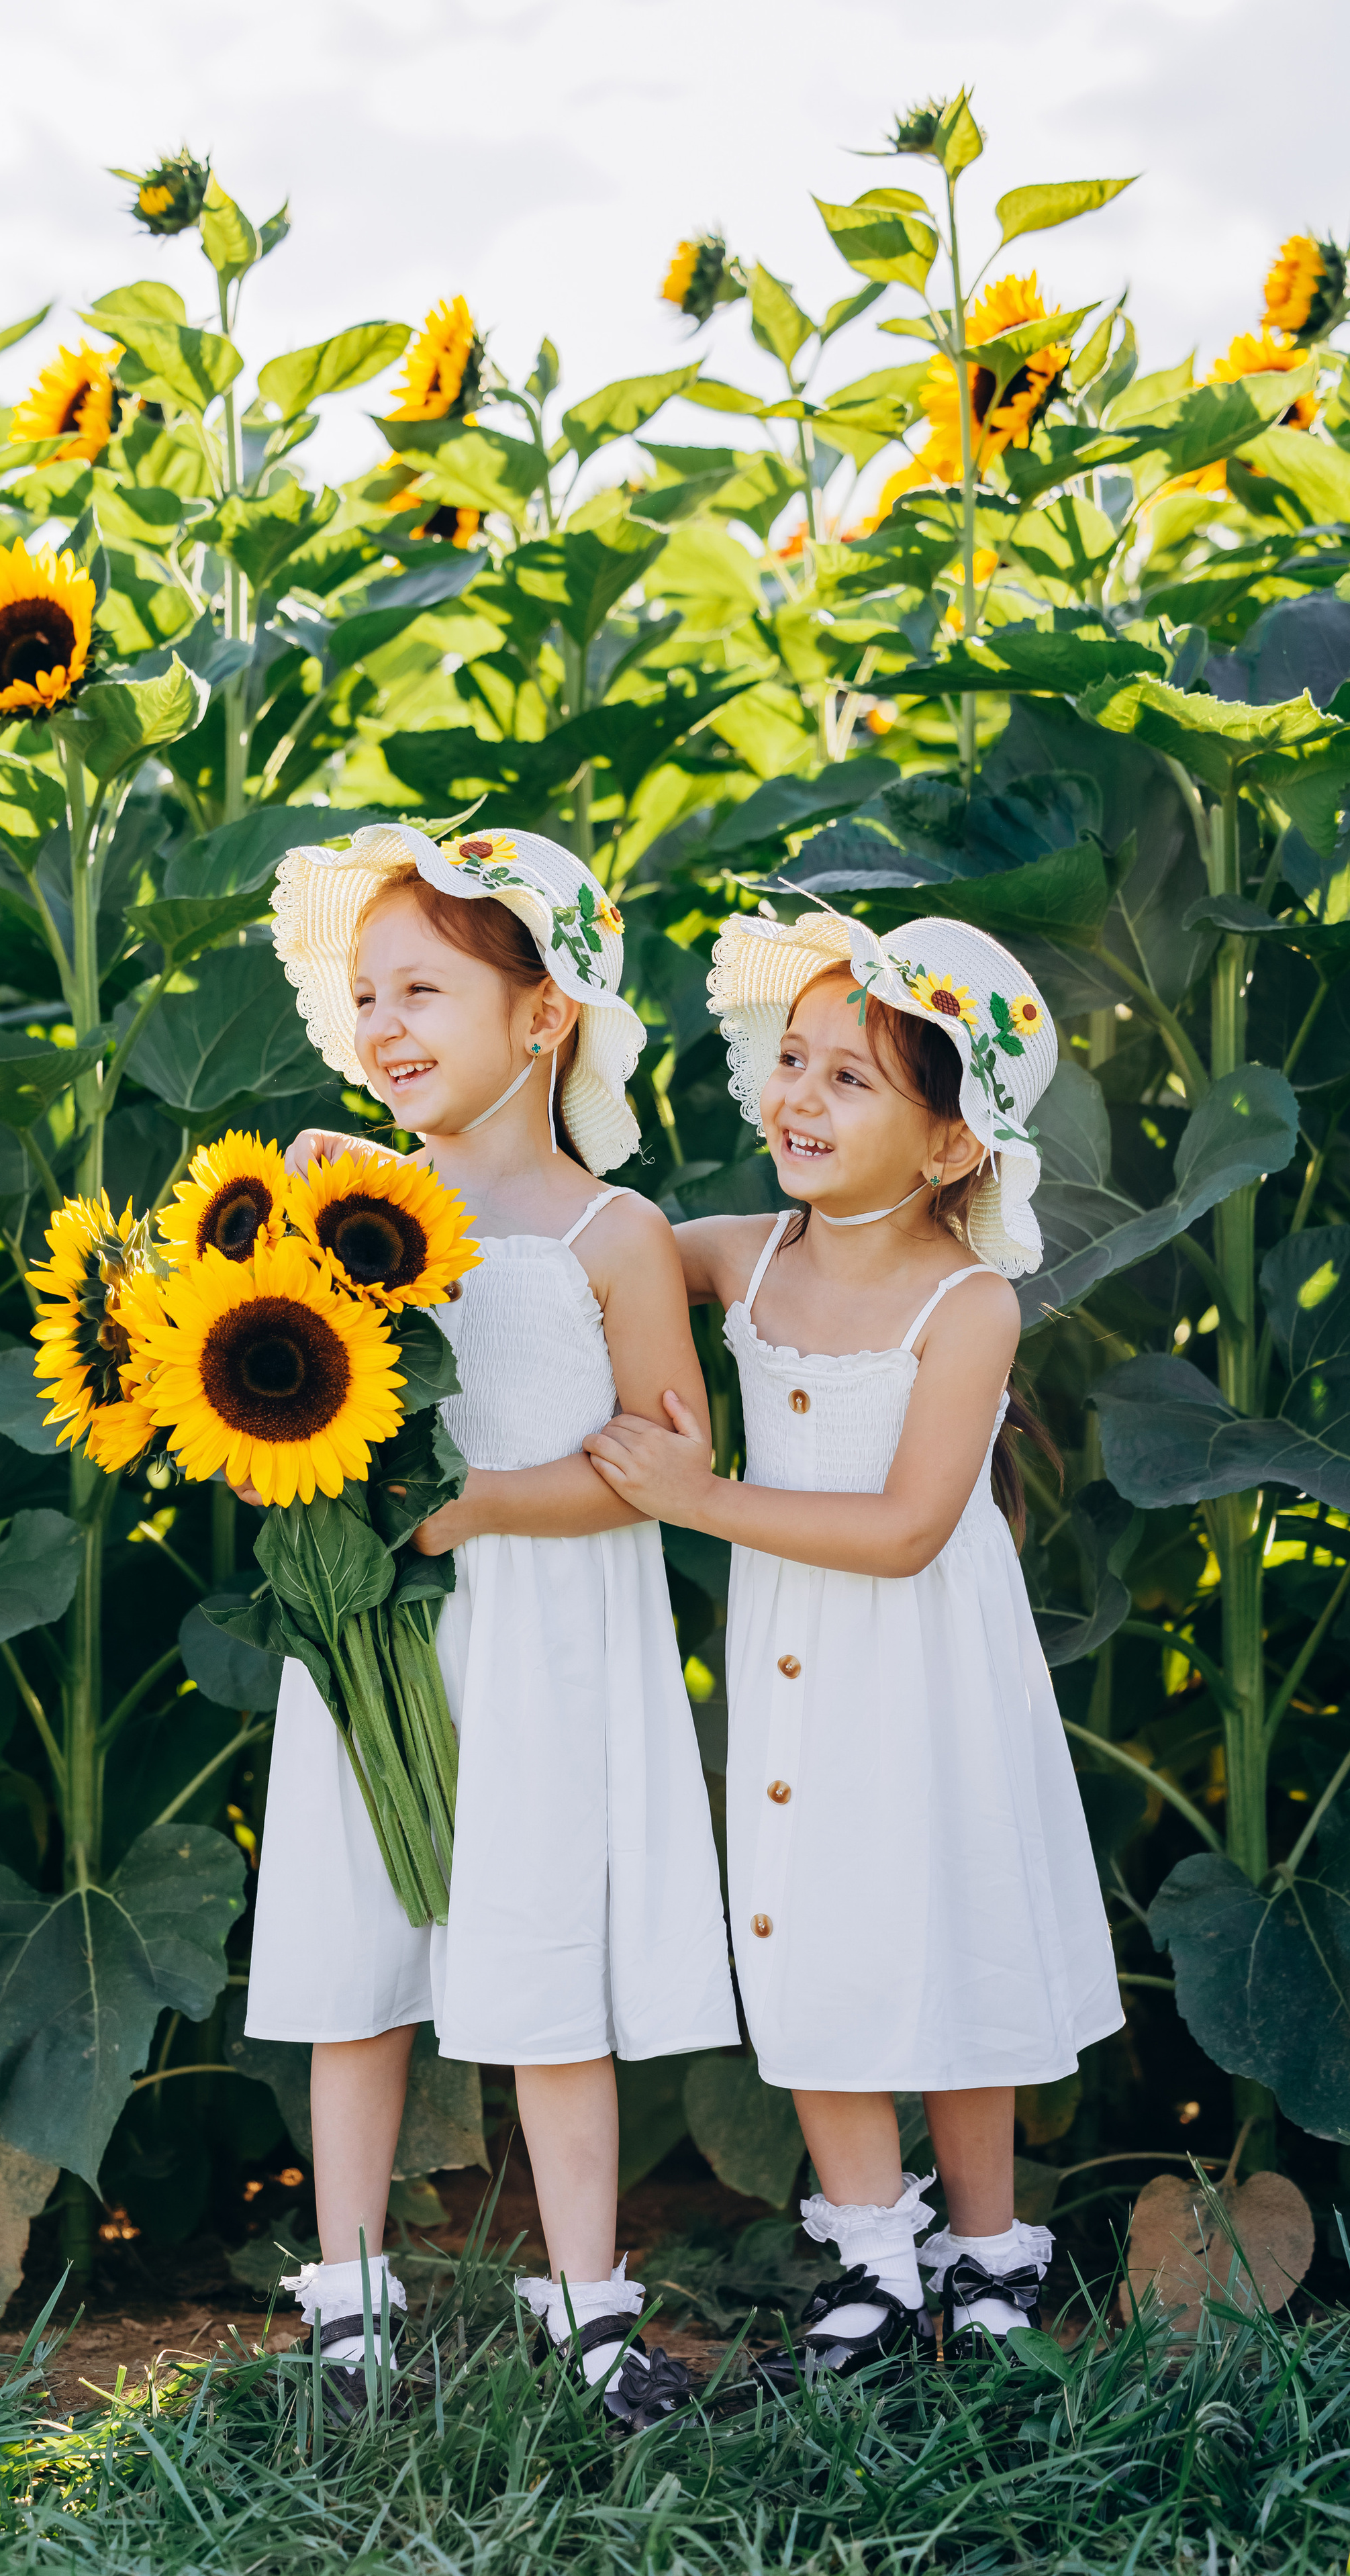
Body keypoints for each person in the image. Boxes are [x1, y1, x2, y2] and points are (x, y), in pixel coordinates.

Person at [584, 902, 1122, 2382]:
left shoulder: (968, 1304)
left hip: (926, 1670)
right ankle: (873, 2255)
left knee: (950, 1930)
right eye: (793, 1060)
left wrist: (699, 1495)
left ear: (951, 1144)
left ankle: (987, 2253)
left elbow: (902, 1527)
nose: (796, 1097)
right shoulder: (747, 1256)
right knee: (806, 1932)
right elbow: (604, 1246)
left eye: (849, 1078)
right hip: (791, 1677)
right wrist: (404, 1188)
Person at [244, 821, 738, 2424]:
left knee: (543, 1960)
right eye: (363, 992)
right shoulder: (346, 1204)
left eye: (422, 989)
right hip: (385, 1635)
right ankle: (348, 2294)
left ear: (541, 1016)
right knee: (359, 1952)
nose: (380, 1024)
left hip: (540, 1640)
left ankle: (590, 2302)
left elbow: (670, 1467)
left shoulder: (613, 1235)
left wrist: (479, 1509)